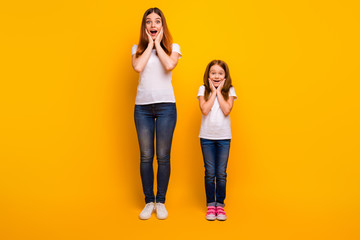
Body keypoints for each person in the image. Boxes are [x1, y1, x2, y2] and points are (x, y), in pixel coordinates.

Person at [131, 7, 181, 220]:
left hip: (166, 108)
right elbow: (137, 67)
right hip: (142, 108)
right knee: (145, 156)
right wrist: (149, 44)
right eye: (149, 22)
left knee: (163, 156)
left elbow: (169, 65)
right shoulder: (136, 49)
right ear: (144, 27)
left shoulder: (173, 47)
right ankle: (148, 200)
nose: (153, 25)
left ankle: (160, 201)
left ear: (162, 25)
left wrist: (158, 45)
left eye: (157, 21)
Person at [197, 60, 236, 221]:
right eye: (213, 73)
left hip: (224, 138)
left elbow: (227, 110)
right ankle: (210, 205)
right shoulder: (202, 89)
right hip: (206, 137)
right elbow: (205, 110)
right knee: (209, 173)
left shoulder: (231, 90)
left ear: (225, 76)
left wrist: (219, 91)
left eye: (220, 73)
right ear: (208, 75)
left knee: (221, 174)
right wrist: (212, 91)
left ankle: (220, 205)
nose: (216, 76)